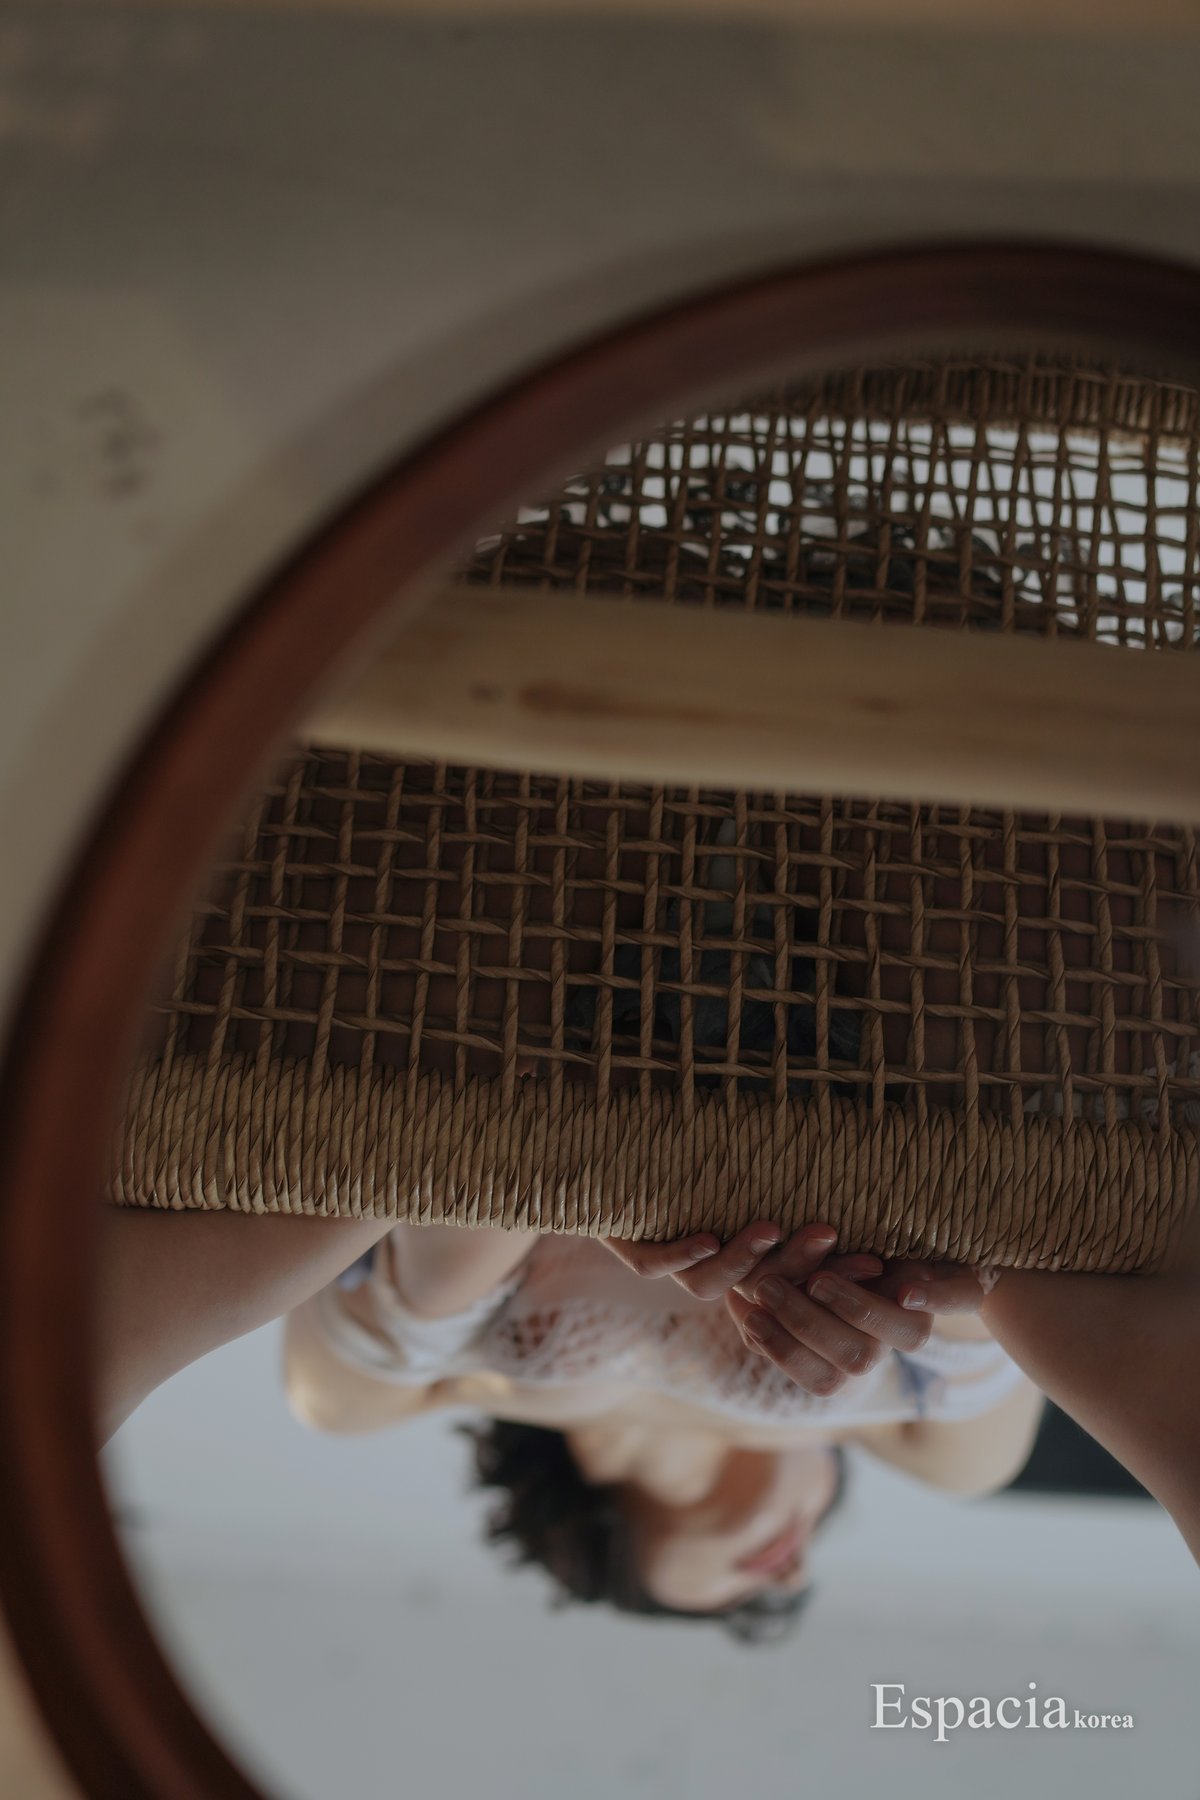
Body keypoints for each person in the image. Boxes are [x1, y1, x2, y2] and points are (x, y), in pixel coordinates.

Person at [281, 1215, 1042, 1639]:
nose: (793, 1573)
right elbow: (1018, 1270)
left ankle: (508, 1145)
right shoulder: (943, 1454)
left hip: (504, 1190)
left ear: (599, 1557)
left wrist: (607, 1200)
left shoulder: (430, 1390)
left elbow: (342, 1315)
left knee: (351, 1388)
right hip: (880, 1168)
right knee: (966, 1419)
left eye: (731, 1602)